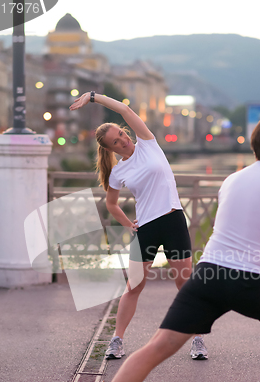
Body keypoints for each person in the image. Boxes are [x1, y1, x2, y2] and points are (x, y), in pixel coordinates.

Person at [77, 117, 260, 382]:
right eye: (116, 140)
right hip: (251, 283)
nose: (123, 141)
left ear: (253, 146)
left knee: (157, 346)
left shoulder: (232, 180)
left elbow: (236, 237)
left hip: (208, 276)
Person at [69, 92, 208, 361]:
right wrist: (128, 223)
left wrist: (94, 97)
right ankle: (116, 340)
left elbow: (123, 108)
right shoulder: (118, 171)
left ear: (124, 131)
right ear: (109, 149)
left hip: (173, 219)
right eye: (114, 143)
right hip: (146, 228)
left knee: (185, 283)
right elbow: (111, 204)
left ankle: (198, 338)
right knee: (133, 287)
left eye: (120, 135)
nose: (121, 141)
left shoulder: (148, 143)